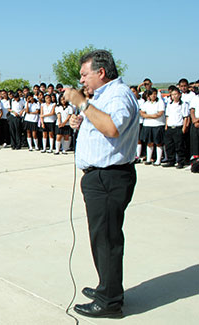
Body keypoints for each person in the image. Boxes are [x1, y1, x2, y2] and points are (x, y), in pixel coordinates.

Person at [65, 50, 139, 319]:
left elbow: (112, 128)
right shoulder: (103, 97)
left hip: (110, 178)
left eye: (85, 74)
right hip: (99, 177)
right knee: (101, 237)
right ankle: (107, 287)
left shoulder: (118, 95)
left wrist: (82, 104)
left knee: (106, 240)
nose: (81, 79)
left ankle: (110, 302)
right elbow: (101, 127)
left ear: (101, 72)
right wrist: (81, 121)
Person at [163, 89, 189, 168]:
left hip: (178, 127)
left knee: (179, 146)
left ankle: (181, 161)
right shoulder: (169, 104)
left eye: (176, 94)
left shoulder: (183, 104)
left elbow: (185, 117)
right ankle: (171, 160)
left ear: (179, 94)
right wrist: (166, 126)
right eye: (172, 94)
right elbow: (167, 116)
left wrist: (184, 127)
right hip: (170, 127)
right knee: (169, 145)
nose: (174, 96)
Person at [140, 88, 165, 166]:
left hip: (158, 125)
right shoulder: (146, 103)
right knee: (149, 142)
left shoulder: (160, 102)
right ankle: (148, 159)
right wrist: (152, 116)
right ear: (148, 95)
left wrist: (148, 116)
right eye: (152, 94)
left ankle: (158, 160)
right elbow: (142, 113)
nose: (153, 96)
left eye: (155, 94)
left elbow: (159, 113)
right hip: (147, 125)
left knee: (158, 143)